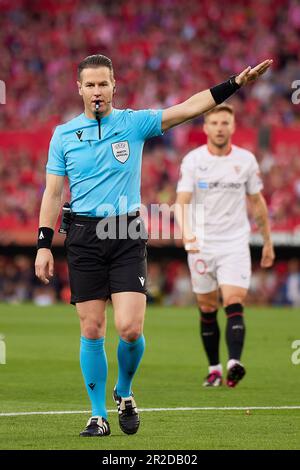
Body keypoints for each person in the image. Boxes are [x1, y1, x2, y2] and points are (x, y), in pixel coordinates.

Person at [35, 54, 272, 437]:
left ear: (115, 86)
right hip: (83, 236)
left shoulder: (134, 123)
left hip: (126, 232)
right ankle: (97, 415)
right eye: (90, 85)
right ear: (79, 88)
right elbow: (52, 193)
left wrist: (235, 83)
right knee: (92, 328)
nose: (97, 91)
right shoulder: (63, 134)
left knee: (129, 329)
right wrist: (44, 244)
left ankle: (124, 391)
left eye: (103, 84)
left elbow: (189, 107)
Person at [175, 103, 275, 388]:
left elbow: (257, 203)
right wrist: (187, 234)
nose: (220, 128)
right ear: (206, 128)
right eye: (215, 123)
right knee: (207, 308)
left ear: (232, 127)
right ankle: (214, 368)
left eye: (225, 123)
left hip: (234, 243)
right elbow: (181, 203)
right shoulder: (193, 161)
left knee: (233, 301)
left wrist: (267, 241)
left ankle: (234, 362)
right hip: (202, 245)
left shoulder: (246, 161)